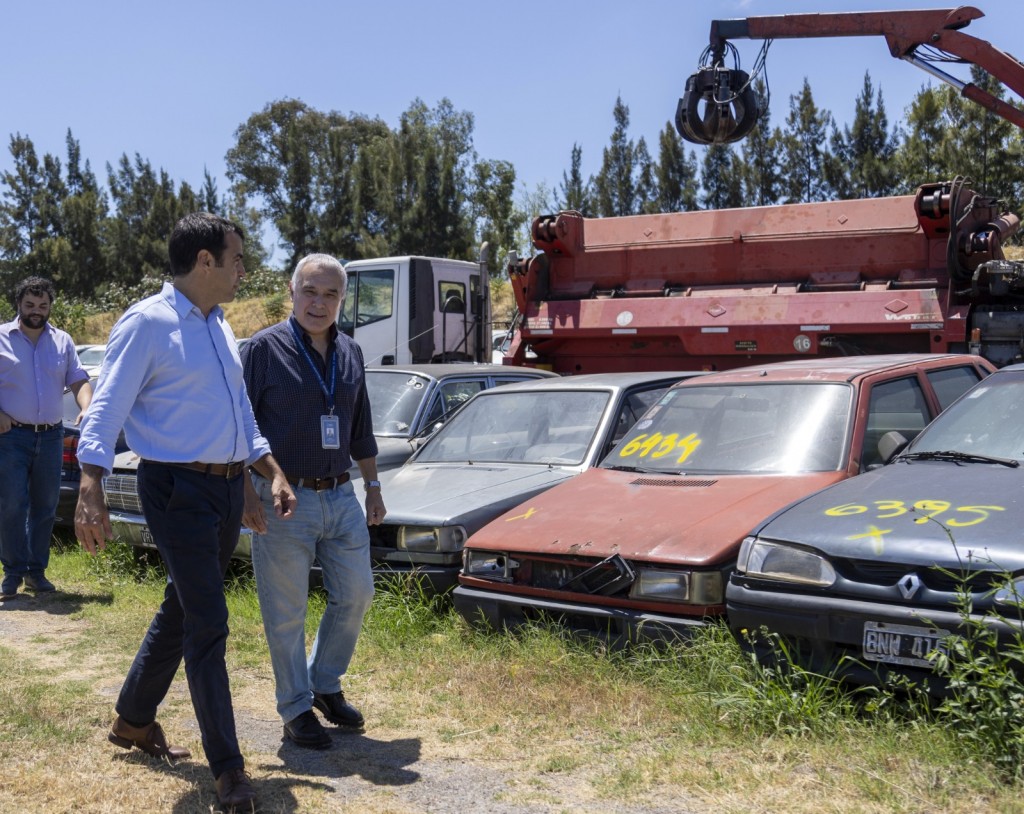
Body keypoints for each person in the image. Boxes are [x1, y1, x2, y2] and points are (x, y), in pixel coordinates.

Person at [74, 213, 296, 812]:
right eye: (237, 258)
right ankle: (228, 770)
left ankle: (131, 720)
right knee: (208, 623)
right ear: (205, 261)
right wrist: (90, 483)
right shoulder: (148, 323)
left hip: (224, 492)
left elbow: (238, 411)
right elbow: (106, 406)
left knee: (184, 605)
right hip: (174, 490)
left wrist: (261, 474)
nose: (243, 269)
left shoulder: (220, 326)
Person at [241, 252, 385, 750]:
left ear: (342, 300)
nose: (318, 303)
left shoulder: (350, 351)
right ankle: (296, 708)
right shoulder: (262, 349)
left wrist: (373, 486)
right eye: (310, 291)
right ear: (292, 291)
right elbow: (240, 427)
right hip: (282, 498)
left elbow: (360, 425)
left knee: (357, 593)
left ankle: (324, 683)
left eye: (330, 294)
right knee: (286, 611)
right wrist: (245, 493)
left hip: (341, 493)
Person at [0, 276, 93, 599]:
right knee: (11, 505)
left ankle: (36, 574)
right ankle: (12, 574)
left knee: (45, 506)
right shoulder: (1, 337)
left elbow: (79, 379)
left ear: (50, 306)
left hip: (52, 436)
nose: (36, 311)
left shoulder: (63, 341)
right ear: (19, 305)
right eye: (30, 305)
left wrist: (87, 407)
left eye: (43, 305)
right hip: (11, 437)